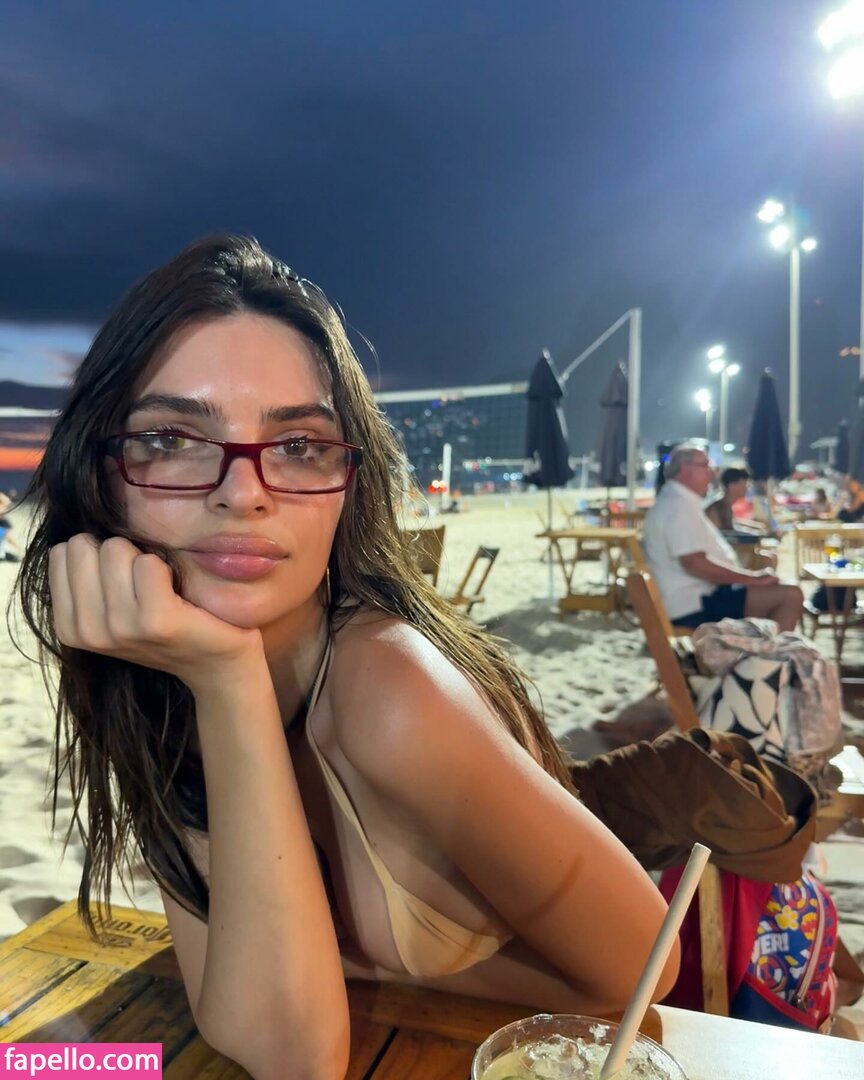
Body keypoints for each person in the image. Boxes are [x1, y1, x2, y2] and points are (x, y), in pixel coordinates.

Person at [16, 236, 677, 1080]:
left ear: (348, 487)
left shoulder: (390, 692)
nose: (244, 491)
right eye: (173, 438)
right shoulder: (157, 671)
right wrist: (220, 680)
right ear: (100, 475)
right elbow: (244, 1020)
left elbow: (647, 969)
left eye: (298, 445)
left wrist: (225, 683)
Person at [643, 444, 803, 631]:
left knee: (778, 590)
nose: (712, 473)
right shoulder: (678, 507)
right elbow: (694, 563)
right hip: (694, 603)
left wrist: (749, 579)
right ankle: (772, 649)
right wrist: (750, 579)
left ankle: (766, 647)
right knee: (790, 595)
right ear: (686, 470)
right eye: (706, 466)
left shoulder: (676, 501)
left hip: (698, 597)